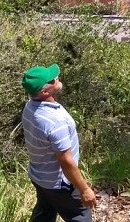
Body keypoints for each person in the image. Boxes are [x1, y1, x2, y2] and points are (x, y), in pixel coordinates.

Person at [22, 64, 97, 222]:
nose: (57, 77)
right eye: (52, 79)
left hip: (40, 176)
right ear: (44, 92)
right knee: (80, 216)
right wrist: (84, 189)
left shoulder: (30, 107)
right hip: (59, 184)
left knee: (45, 212)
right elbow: (66, 161)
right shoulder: (55, 122)